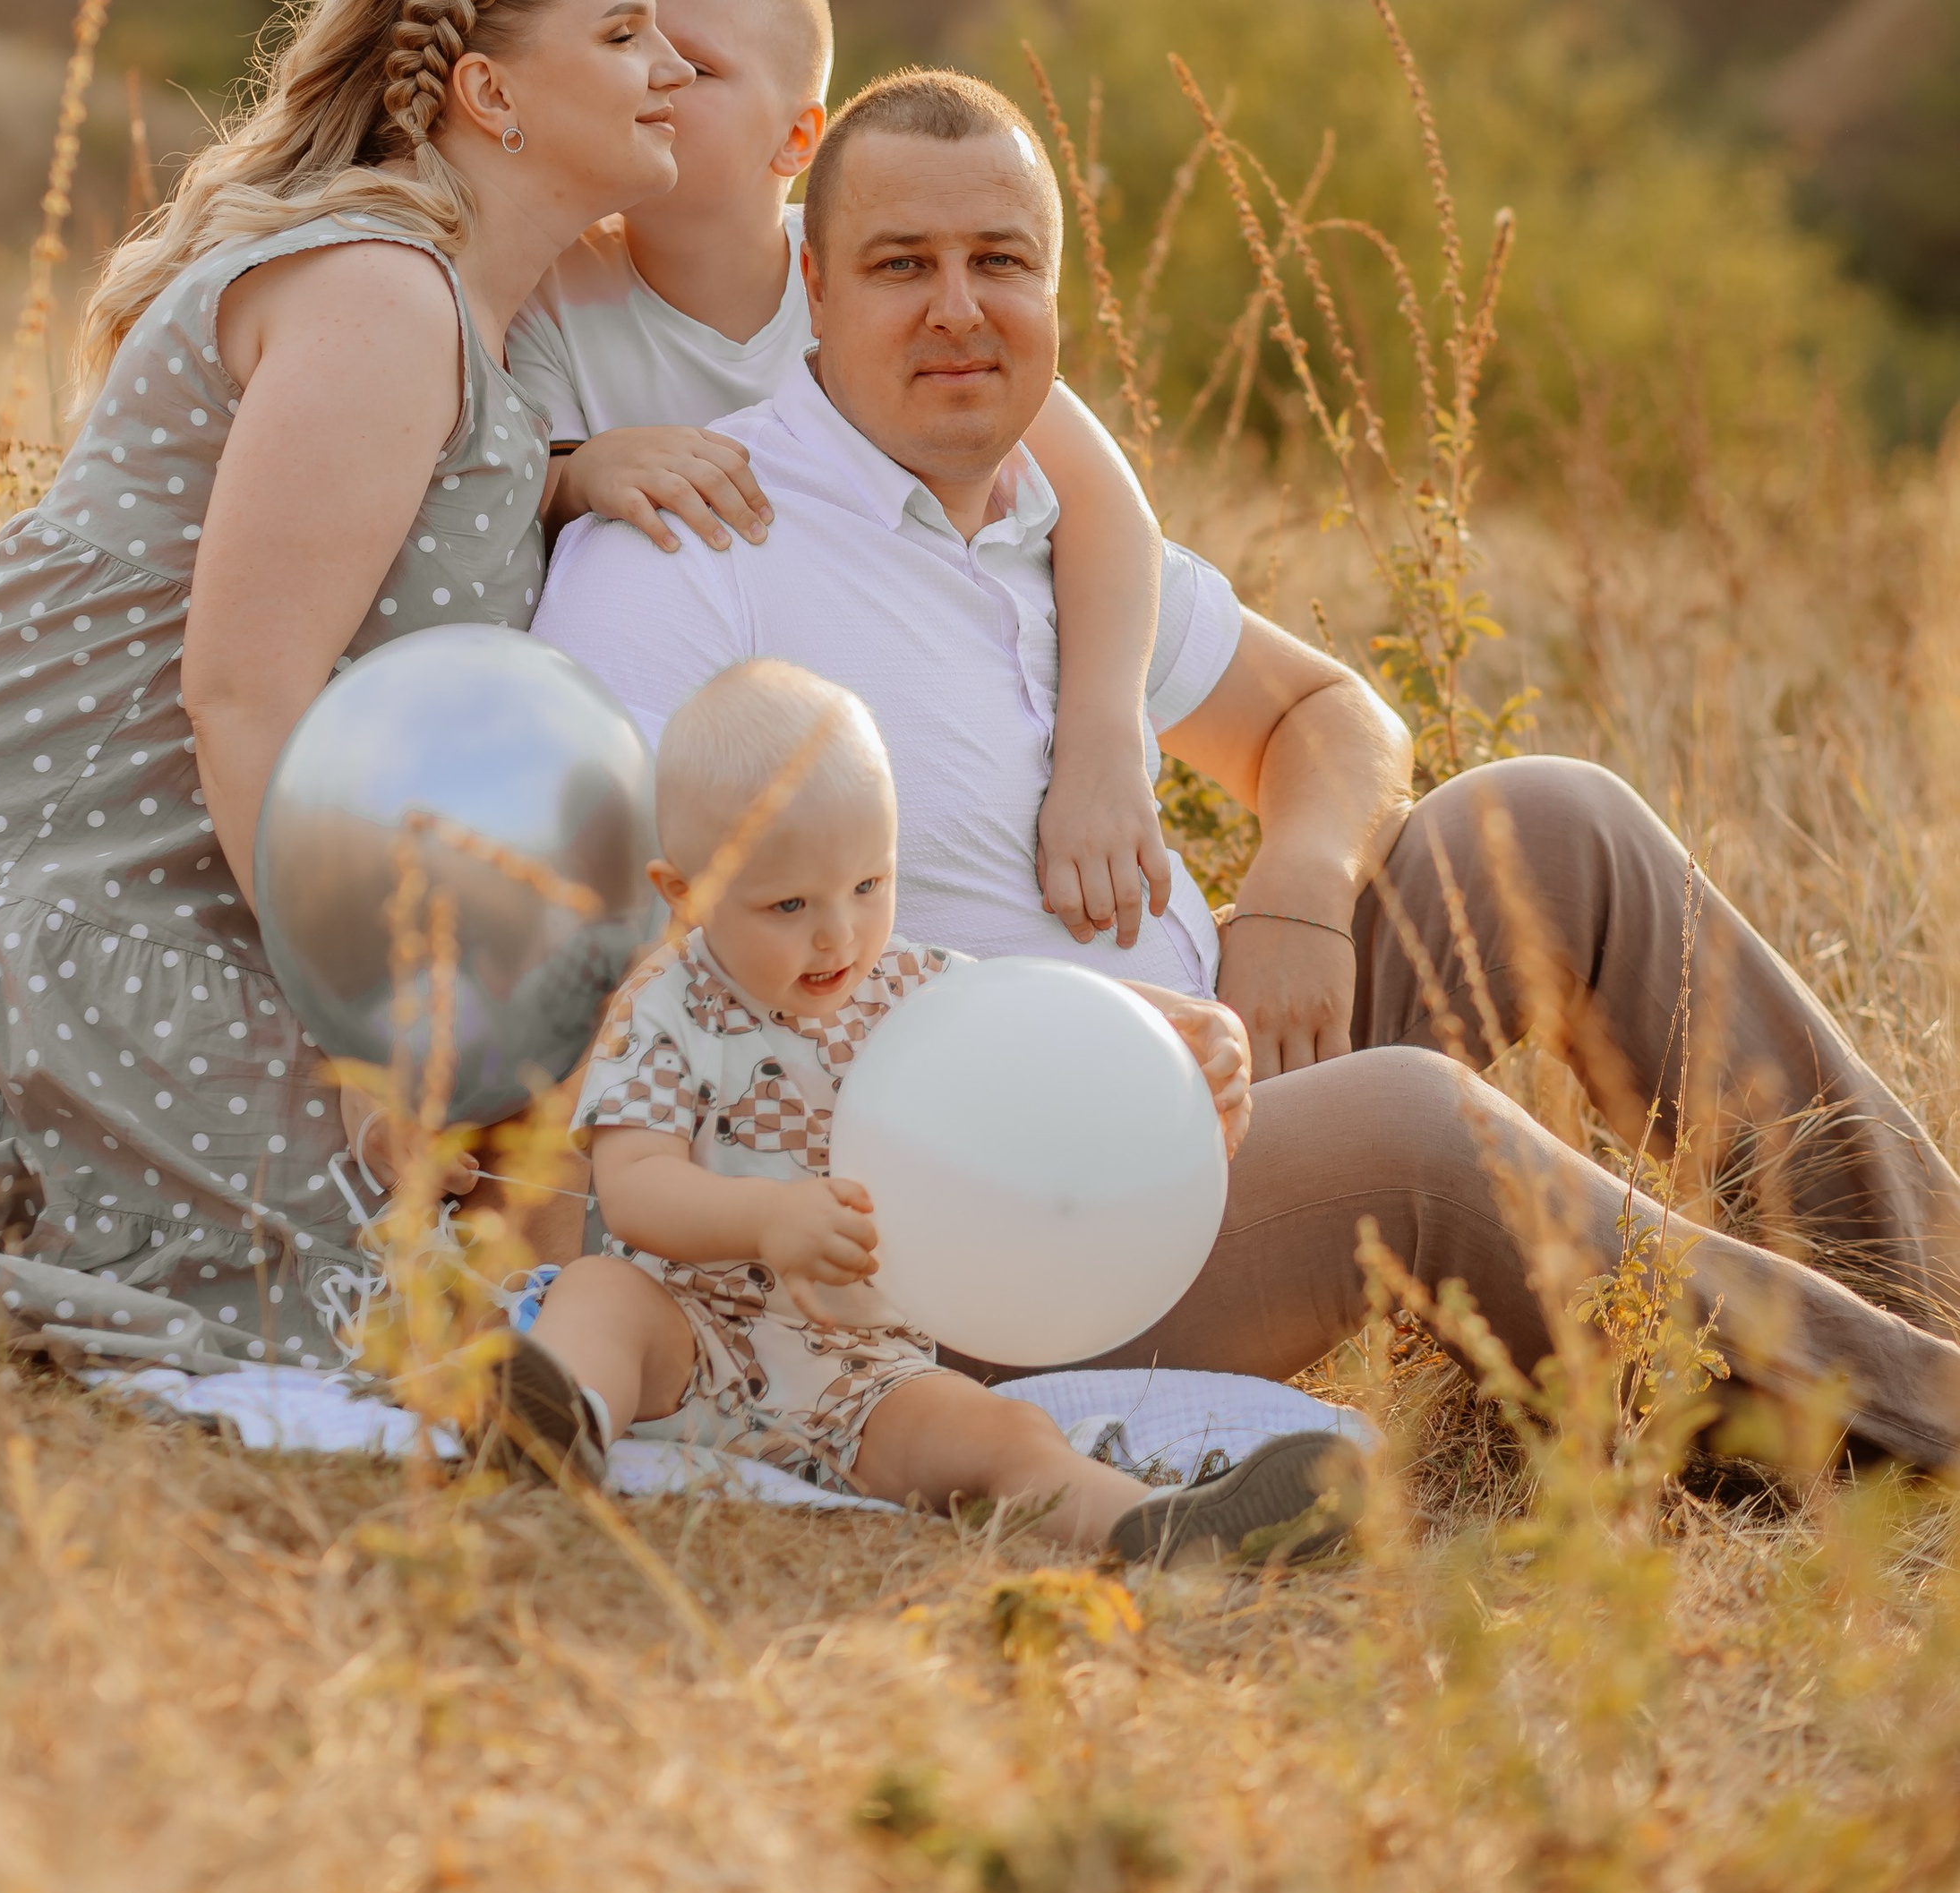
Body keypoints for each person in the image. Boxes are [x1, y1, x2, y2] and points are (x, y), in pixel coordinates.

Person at [534, 64, 1960, 1476]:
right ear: (815, 290)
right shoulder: (695, 542)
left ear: (1055, 292)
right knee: (1412, 1122)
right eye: (902, 264)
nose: (959, 308)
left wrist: (1293, 889)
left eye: (1001, 262)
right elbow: (618, 945)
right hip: (970, 1235)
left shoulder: (1058, 532)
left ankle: (1932, 1305)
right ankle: (1921, 1415)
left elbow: (1330, 718)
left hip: (1214, 1094)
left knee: (1550, 826)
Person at [0, 0, 692, 1372]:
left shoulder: (472, 321)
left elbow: (379, 531)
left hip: (184, 877)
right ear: (491, 92)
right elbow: (245, 689)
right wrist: (355, 1034)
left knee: (556, 1228)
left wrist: (558, 479)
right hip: (29, 877)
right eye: (626, 35)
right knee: (391, 1294)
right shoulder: (381, 292)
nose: (670, 71)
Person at [501, 660, 1362, 1566]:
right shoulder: (664, 1005)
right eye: (789, 905)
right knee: (596, 1297)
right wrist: (767, 1217)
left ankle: (1163, 1526)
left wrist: (1184, 1027)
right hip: (683, 1339)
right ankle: (556, 1422)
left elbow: (1047, 1008)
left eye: (869, 885)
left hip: (865, 1379)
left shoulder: (912, 987)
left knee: (1007, 1437)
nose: (839, 934)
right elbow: (632, 1189)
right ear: (684, 895)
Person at [509, 0, 1190, 957]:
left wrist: (1101, 744)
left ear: (796, 138)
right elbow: (496, 479)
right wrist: (577, 469)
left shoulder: (883, 272)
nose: (654, 79)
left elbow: (1105, 507)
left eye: (688, 59)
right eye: (624, 45)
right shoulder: (557, 286)